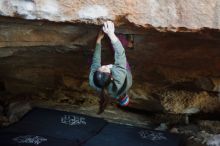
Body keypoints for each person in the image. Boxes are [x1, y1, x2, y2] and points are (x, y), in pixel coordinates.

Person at [89, 21, 132, 114]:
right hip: (125, 74)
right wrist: (111, 34)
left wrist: (98, 40)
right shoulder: (119, 78)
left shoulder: (93, 81)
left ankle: (123, 41)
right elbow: (120, 54)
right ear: (111, 76)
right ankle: (126, 41)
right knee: (118, 47)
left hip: (113, 74)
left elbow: (96, 61)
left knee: (113, 57)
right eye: (105, 69)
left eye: (100, 69)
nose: (103, 66)